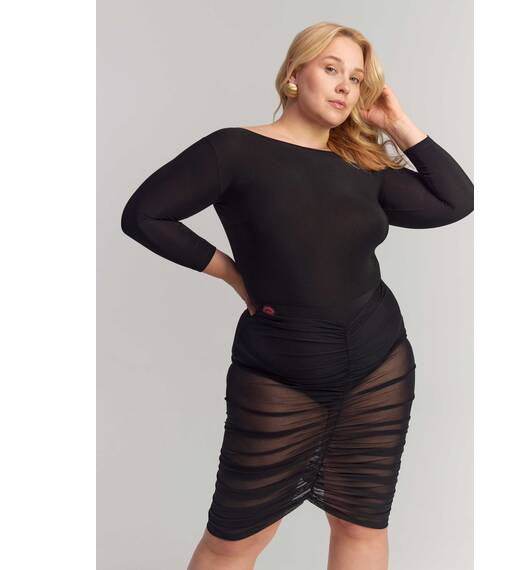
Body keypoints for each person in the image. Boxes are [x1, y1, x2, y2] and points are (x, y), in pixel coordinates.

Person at [121, 21, 473, 570]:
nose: (344, 86)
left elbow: (456, 201)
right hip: (279, 375)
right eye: (331, 69)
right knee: (233, 541)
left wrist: (396, 123)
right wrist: (232, 274)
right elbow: (144, 215)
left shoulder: (363, 167)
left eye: (355, 78)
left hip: (378, 368)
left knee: (360, 526)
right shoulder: (234, 149)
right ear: (294, 74)